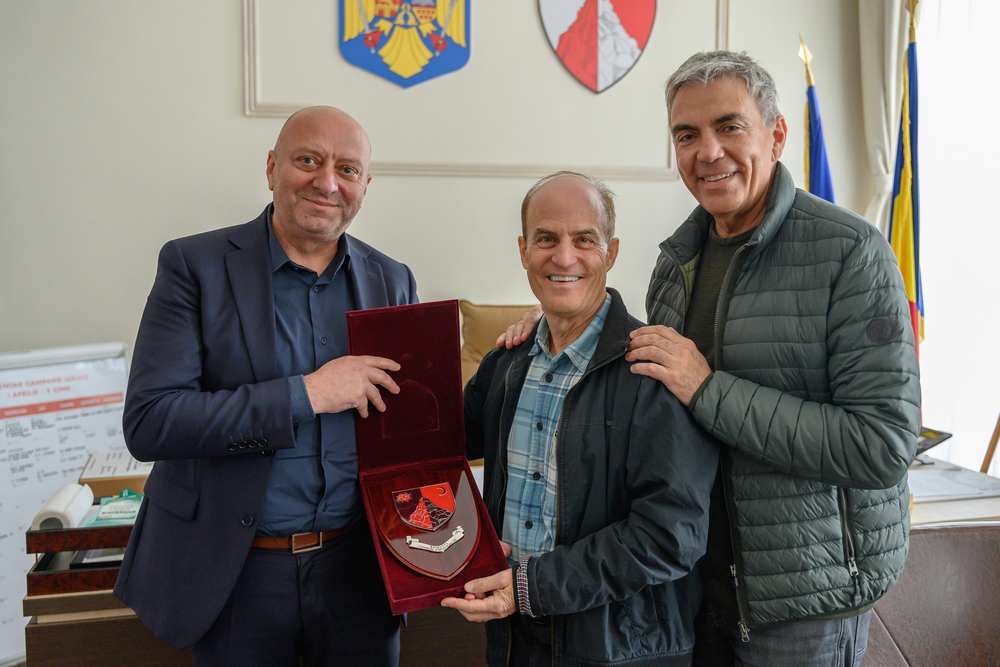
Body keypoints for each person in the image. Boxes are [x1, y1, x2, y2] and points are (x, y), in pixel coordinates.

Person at [500, 52, 920, 666]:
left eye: (729, 127)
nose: (708, 152)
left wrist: (708, 388)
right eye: (687, 135)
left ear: (776, 134)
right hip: (690, 594)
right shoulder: (675, 263)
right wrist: (553, 327)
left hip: (803, 606)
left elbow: (881, 447)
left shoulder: (850, 252)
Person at [114, 106, 417, 666]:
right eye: (309, 160)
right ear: (272, 167)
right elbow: (152, 422)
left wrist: (528, 335)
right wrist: (307, 394)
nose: (327, 182)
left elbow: (413, 424)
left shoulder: (392, 279)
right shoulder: (194, 265)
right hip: (237, 574)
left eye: (348, 170)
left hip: (360, 574)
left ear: (365, 186)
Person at [443, 172, 719, 667]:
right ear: (524, 250)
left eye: (584, 240)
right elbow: (436, 452)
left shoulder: (655, 371)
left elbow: (670, 536)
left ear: (611, 253)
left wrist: (532, 587)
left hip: (616, 647)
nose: (564, 257)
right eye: (546, 239)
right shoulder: (505, 363)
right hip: (512, 637)